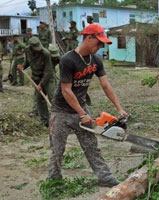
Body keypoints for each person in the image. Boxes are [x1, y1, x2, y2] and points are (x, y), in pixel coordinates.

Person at [47, 24, 127, 187]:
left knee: (92, 146)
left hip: (81, 109)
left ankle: (104, 177)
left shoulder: (96, 60)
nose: (100, 47)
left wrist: (119, 108)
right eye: (98, 43)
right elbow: (66, 90)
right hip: (61, 111)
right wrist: (82, 114)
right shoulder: (68, 60)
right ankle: (54, 180)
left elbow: (105, 85)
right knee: (57, 148)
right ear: (89, 38)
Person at [17, 37, 56, 126]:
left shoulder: (45, 53)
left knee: (52, 98)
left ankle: (58, 121)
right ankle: (44, 121)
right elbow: (28, 61)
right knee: (40, 100)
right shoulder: (27, 50)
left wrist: (41, 84)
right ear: (31, 47)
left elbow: (48, 71)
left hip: (48, 78)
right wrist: (23, 66)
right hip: (36, 78)